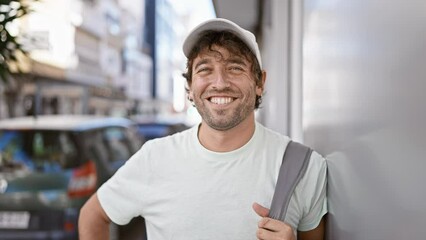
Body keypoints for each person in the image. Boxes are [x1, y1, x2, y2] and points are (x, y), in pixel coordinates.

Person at [79, 18, 327, 240]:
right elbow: (92, 216)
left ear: (260, 82)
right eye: (205, 69)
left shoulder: (304, 167)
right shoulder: (154, 158)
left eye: (235, 67)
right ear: (189, 86)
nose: (219, 83)